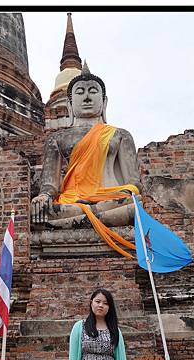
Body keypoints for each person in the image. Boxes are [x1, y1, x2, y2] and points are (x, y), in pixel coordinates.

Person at [30, 62, 141, 257]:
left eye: (92, 91)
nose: (87, 97)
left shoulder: (120, 134)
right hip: (73, 202)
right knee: (41, 213)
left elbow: (133, 182)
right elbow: (50, 185)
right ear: (70, 104)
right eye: (80, 92)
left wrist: (123, 194)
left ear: (104, 102)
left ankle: (90, 216)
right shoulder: (57, 138)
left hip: (113, 200)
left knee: (137, 203)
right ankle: (94, 217)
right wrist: (43, 197)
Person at [67, 288, 131, 360]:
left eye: (105, 303)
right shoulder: (80, 327)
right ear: (91, 303)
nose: (101, 305)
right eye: (98, 301)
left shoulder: (114, 330)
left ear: (109, 307)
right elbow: (73, 358)